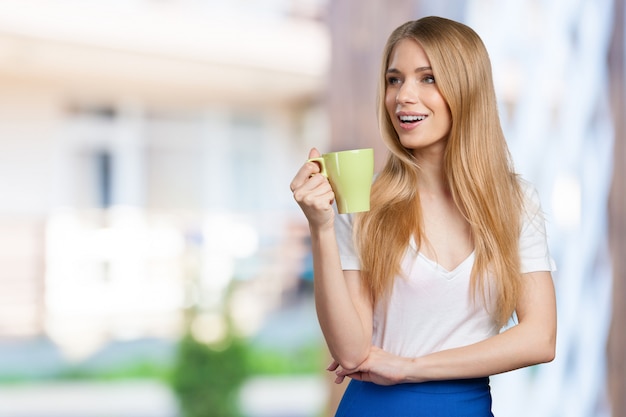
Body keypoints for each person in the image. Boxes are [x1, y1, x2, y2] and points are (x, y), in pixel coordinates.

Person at [289, 16, 556, 417]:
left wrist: (410, 367)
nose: (403, 96)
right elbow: (351, 350)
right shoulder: (366, 200)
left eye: (427, 78)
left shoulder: (514, 201)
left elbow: (540, 338)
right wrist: (321, 227)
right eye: (394, 80)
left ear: (466, 89)